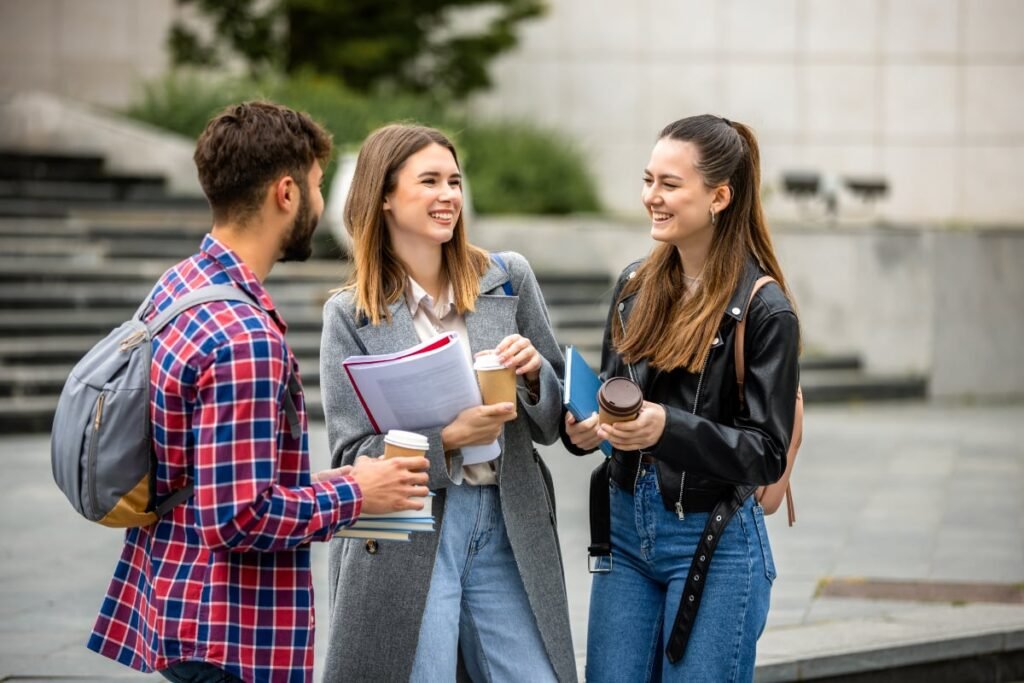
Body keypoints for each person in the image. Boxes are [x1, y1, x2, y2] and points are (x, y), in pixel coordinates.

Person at [86, 101, 430, 683]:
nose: (322, 206)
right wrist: (355, 491)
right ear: (286, 194)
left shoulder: (182, 286)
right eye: (318, 187)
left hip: (174, 599)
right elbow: (239, 518)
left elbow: (211, 476)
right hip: (231, 638)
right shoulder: (244, 338)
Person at [319, 124, 577, 682]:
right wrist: (447, 441)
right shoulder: (349, 314)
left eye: (455, 182)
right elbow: (351, 455)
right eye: (430, 181)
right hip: (411, 528)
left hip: (509, 518)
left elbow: (556, 419)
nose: (449, 196)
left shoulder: (506, 279)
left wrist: (535, 377)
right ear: (383, 195)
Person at [563, 114, 800, 682]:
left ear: (719, 196)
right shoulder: (634, 287)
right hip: (623, 530)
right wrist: (590, 429)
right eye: (648, 181)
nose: (652, 198)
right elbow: (617, 402)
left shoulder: (766, 310)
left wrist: (664, 427)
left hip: (713, 539)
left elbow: (768, 451)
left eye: (670, 185)